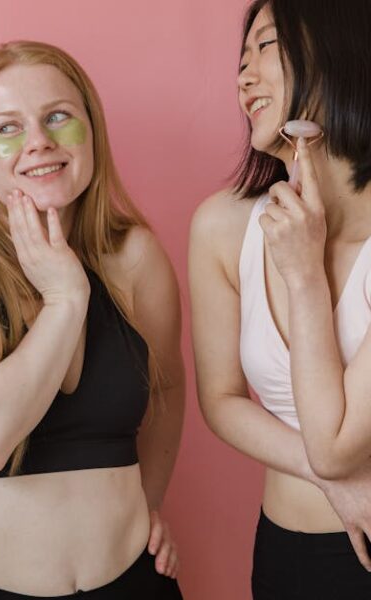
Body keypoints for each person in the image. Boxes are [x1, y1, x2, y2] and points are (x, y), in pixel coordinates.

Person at [0, 40, 185, 599]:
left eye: (58, 117)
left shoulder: (135, 257)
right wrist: (67, 298)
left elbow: (168, 391)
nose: (39, 143)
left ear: (91, 130)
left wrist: (147, 506)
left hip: (137, 585)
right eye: (7, 128)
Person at [189, 1, 371, 597]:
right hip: (288, 556)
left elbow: (337, 446)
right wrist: (331, 486)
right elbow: (219, 400)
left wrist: (303, 276)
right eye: (240, 59)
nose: (243, 78)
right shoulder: (221, 227)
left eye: (266, 46)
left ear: (338, 48)